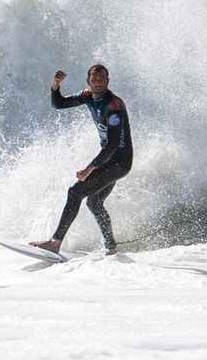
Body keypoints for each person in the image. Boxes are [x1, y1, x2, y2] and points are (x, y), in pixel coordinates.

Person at [30, 64, 133, 256]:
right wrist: (55, 85)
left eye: (102, 79)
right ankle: (111, 248)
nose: (98, 83)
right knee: (94, 202)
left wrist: (88, 169)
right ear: (88, 81)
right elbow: (58, 104)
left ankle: (55, 242)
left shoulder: (114, 105)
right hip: (109, 161)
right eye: (94, 79)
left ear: (108, 81)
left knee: (75, 191)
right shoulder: (87, 96)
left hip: (120, 161)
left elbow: (111, 145)